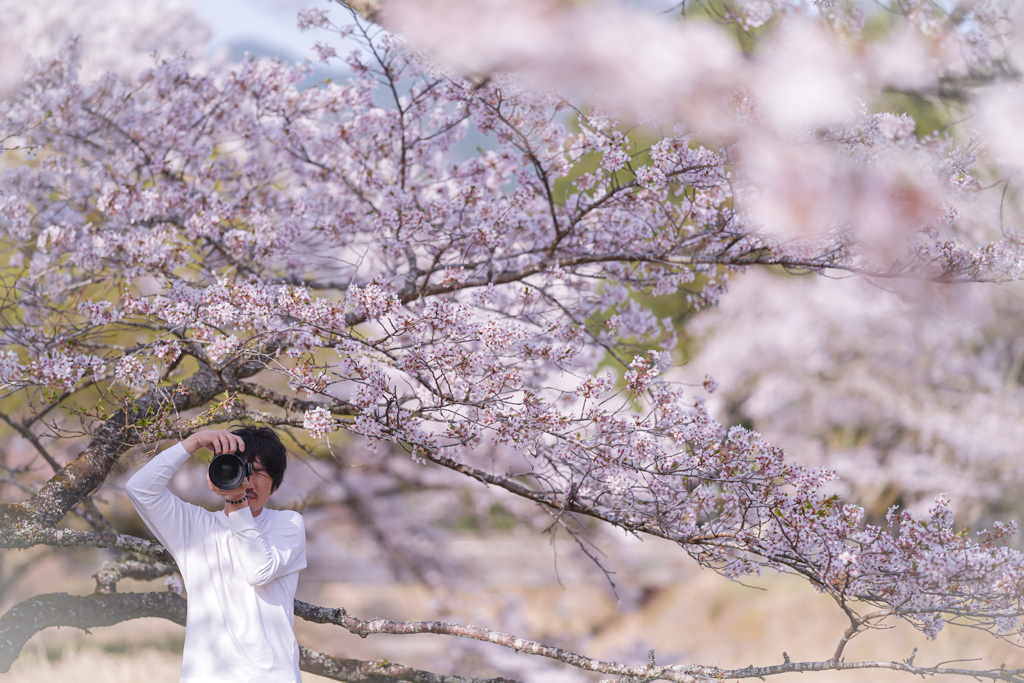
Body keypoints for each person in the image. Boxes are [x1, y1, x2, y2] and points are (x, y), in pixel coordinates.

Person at [126, 426, 306, 683]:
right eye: (238, 467)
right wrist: (195, 441)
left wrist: (236, 502)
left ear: (275, 486)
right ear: (216, 473)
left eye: (258, 472)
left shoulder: (288, 524)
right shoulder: (193, 526)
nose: (247, 481)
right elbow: (139, 489)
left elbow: (258, 571)